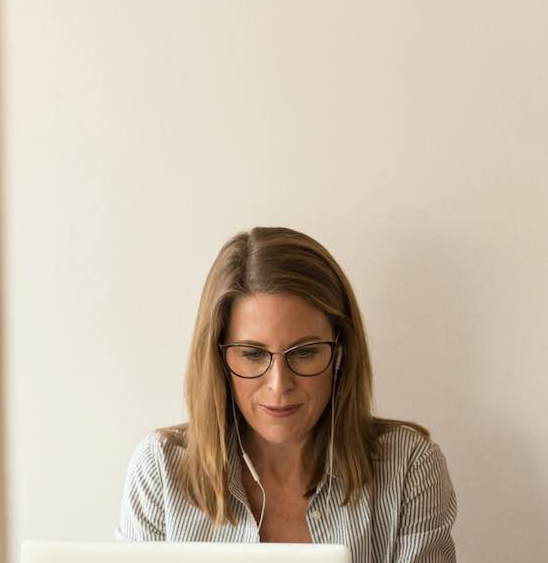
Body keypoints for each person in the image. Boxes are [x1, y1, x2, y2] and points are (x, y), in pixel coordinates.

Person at [116, 226, 457, 561]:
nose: (279, 385)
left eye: (304, 352)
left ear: (339, 351)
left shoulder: (408, 468)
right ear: (218, 359)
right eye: (252, 354)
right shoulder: (160, 471)